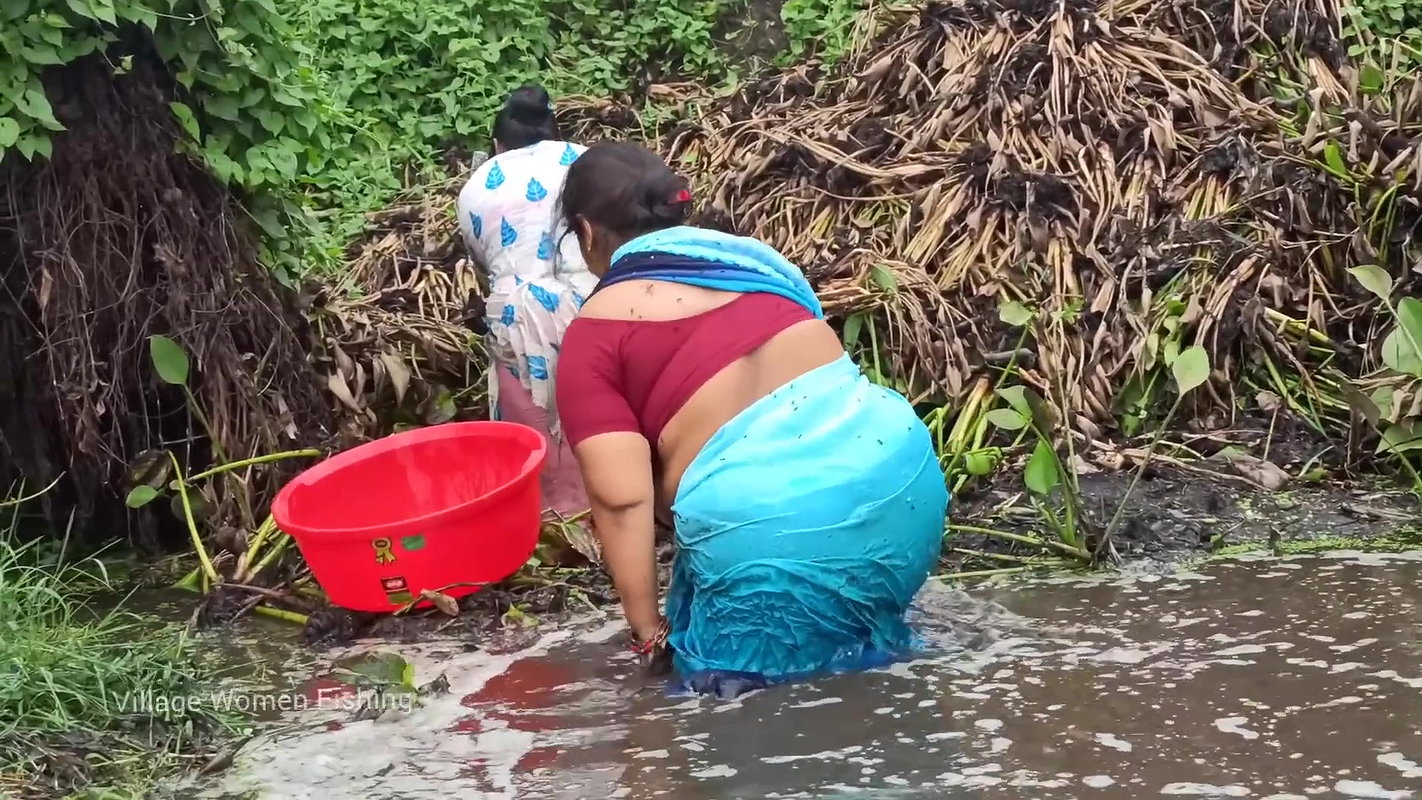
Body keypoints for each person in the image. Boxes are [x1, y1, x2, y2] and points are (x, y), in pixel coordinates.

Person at [553, 141, 949, 696]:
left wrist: (648, 635)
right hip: (904, 483)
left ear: (587, 232)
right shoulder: (748, 273)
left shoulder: (594, 336)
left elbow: (621, 500)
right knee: (869, 670)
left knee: (737, 719)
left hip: (772, 533)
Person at [456, 84, 596, 524]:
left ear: (497, 145)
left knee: (530, 411)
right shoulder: (586, 160)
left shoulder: (477, 184)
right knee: (596, 400)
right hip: (591, 301)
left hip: (515, 311)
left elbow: (483, 259)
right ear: (556, 132)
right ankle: (614, 500)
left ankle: (548, 515)